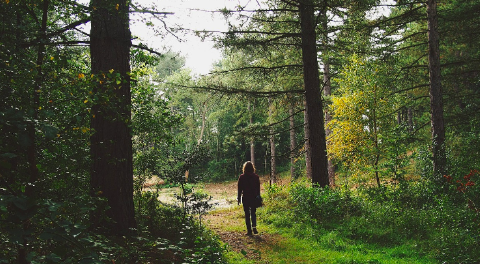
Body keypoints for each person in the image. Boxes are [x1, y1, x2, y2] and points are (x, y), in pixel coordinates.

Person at [237, 161, 261, 236]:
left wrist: (239, 198)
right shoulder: (256, 177)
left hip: (246, 198)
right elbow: (258, 189)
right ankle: (254, 227)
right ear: (252, 168)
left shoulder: (242, 177)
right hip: (254, 198)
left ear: (244, 168)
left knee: (247, 214)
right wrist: (258, 197)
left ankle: (249, 231)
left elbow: (239, 189)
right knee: (253, 213)